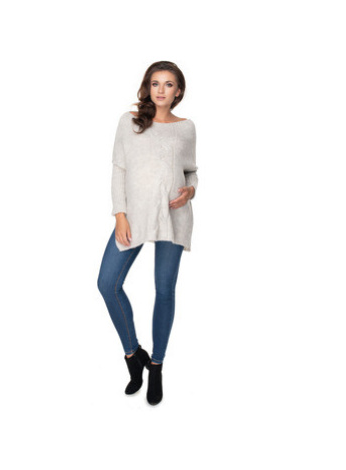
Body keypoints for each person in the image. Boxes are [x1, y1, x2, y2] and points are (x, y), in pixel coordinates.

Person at [97, 61, 198, 406]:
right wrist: (119, 215)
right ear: (147, 86)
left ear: (178, 91)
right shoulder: (129, 122)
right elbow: (119, 170)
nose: (160, 90)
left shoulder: (186, 128)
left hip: (174, 216)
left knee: (164, 290)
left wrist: (190, 191)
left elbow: (191, 172)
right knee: (107, 283)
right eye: (155, 83)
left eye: (168, 84)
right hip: (134, 216)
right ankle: (133, 355)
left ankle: (156, 366)